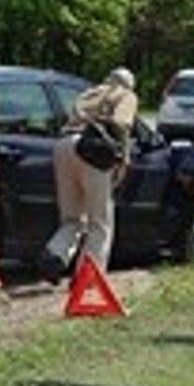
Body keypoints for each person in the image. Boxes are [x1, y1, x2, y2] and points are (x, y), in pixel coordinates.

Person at [39, 67, 138, 283]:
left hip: (64, 145)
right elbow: (122, 124)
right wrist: (123, 159)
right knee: (100, 221)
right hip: (94, 151)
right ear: (128, 85)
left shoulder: (90, 93)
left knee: (72, 217)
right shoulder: (126, 95)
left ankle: (54, 254)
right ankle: (87, 279)